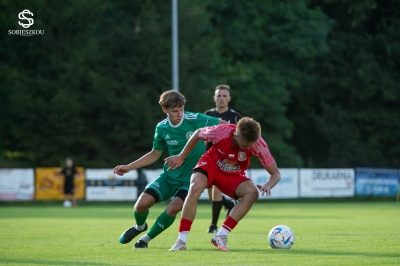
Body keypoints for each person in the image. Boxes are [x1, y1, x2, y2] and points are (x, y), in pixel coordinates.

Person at [114, 90, 225, 249]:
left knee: (173, 208)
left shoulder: (196, 119)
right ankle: (140, 227)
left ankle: (145, 239)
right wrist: (129, 167)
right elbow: (154, 154)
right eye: (174, 110)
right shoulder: (162, 128)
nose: (179, 114)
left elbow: (226, 127)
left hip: (191, 180)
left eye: (181, 109)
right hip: (169, 177)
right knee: (140, 205)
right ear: (164, 110)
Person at [165, 117, 281, 251]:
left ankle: (221, 235)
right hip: (210, 165)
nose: (249, 147)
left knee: (252, 193)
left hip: (231, 174)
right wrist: (182, 156)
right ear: (236, 135)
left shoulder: (258, 144)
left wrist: (268, 185)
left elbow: (276, 174)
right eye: (244, 145)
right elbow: (198, 133)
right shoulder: (221, 132)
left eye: (251, 144)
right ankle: (181, 241)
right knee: (194, 188)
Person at [204, 84, 242, 234]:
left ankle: (213, 226)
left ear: (229, 98)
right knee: (211, 195)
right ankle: (230, 205)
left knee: (216, 192)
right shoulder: (208, 115)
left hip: (225, 159)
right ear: (214, 98)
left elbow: (241, 138)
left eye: (224, 96)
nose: (221, 98)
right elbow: (202, 135)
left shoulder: (235, 116)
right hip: (209, 157)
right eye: (219, 95)